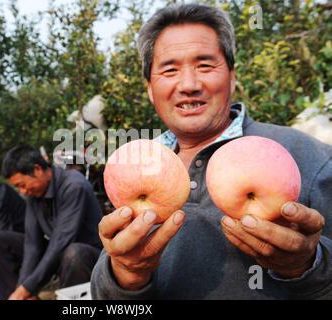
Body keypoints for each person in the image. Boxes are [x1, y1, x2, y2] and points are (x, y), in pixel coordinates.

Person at [91, 3, 332, 299]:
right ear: (150, 88)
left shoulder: (307, 157)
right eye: (169, 69)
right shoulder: (134, 169)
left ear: (231, 76)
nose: (189, 84)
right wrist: (126, 275)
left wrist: (308, 266)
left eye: (205, 65)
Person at [0, 145, 103, 300]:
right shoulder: (34, 194)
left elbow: (61, 242)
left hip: (87, 258)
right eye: (18, 187)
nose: (22, 191)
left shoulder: (73, 186)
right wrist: (22, 287)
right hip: (59, 254)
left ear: (37, 169)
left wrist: (27, 288)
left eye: (22, 185)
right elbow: (32, 244)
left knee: (74, 253)